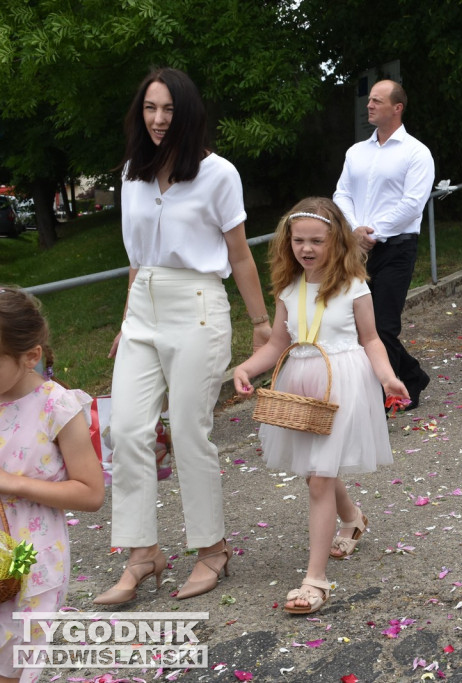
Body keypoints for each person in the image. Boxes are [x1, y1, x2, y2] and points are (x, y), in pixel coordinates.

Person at [99, 68, 272, 605]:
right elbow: (136, 260)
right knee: (126, 432)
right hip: (143, 311)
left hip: (197, 306)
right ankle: (141, 553)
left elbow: (239, 254)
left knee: (191, 431)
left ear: (187, 112)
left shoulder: (218, 174)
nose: (157, 119)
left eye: (168, 109)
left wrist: (263, 325)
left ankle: (211, 549)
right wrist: (127, 319)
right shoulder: (132, 172)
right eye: (150, 108)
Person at [233, 198, 408, 614]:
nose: (306, 249)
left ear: (338, 243)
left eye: (316, 241)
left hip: (343, 381)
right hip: (302, 382)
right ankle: (353, 519)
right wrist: (245, 367)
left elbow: (371, 340)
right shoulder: (289, 289)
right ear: (287, 242)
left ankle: (315, 580)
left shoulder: (354, 287)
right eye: (298, 240)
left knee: (318, 478)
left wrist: (387, 377)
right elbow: (278, 343)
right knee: (318, 470)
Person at [0, 288, 105, 683]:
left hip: (29, 554)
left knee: (12, 660)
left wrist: (14, 484)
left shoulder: (55, 407)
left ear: (30, 356)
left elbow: (91, 493)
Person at [333, 79, 434, 410]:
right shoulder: (356, 152)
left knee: (383, 325)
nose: (369, 105)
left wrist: (372, 233)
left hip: (396, 248)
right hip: (356, 250)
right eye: (369, 100)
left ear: (397, 107)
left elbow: (412, 204)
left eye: (377, 100)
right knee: (361, 325)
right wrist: (355, 230)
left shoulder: (416, 153)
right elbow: (341, 194)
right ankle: (411, 375)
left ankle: (378, 402)